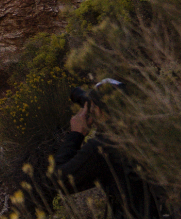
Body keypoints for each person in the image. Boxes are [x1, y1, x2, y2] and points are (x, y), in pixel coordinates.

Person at [43, 80, 170, 219]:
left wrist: (76, 134)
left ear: (97, 110)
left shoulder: (103, 147)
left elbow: (58, 181)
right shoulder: (154, 132)